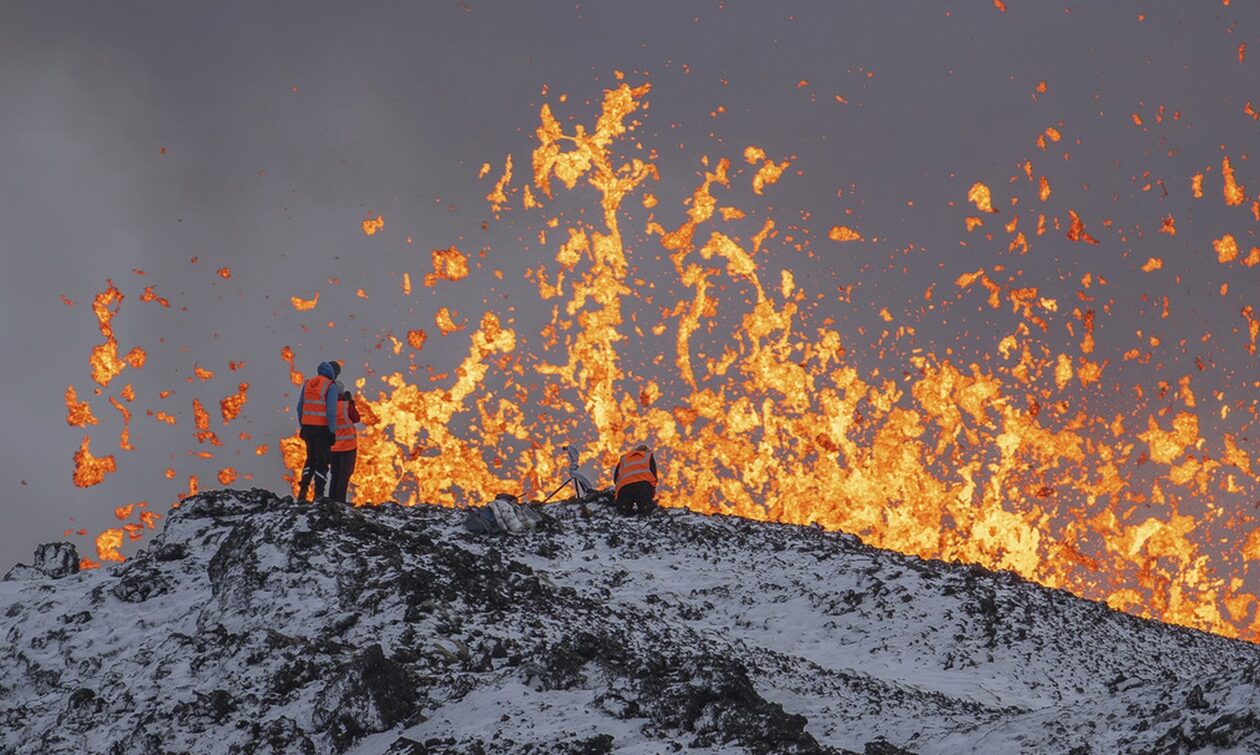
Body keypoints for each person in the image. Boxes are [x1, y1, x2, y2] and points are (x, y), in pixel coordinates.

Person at [295, 360, 341, 500]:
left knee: (310, 459)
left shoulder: (308, 384)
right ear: (333, 373)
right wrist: (332, 431)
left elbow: (299, 408)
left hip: (308, 429)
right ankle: (318, 495)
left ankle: (303, 491)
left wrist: (304, 425)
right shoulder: (330, 386)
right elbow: (331, 411)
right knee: (322, 461)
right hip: (322, 430)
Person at [328, 390, 360, 503]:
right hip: (348, 447)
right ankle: (340, 501)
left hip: (333, 447)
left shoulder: (327, 405)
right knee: (344, 475)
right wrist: (351, 403)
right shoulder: (346, 406)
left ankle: (331, 500)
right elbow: (356, 418)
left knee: (335, 474)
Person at [612, 443, 658, 516]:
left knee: (624, 512)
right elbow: (653, 474)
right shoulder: (647, 456)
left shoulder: (624, 458)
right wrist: (652, 491)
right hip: (642, 487)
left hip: (624, 488)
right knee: (646, 510)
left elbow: (615, 479)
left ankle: (625, 509)